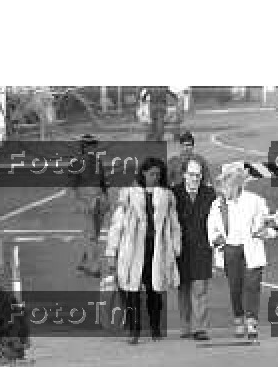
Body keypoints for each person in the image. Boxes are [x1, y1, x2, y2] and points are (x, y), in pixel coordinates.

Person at [105, 157, 180, 344]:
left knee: (155, 292)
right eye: (152, 173)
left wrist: (176, 248)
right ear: (144, 173)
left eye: (158, 174)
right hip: (132, 250)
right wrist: (111, 252)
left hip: (157, 249)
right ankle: (134, 330)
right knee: (132, 292)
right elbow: (117, 224)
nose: (155, 177)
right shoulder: (128, 194)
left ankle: (155, 328)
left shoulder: (167, 195)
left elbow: (174, 224)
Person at [207, 162, 278, 341]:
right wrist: (219, 243)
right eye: (223, 184)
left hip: (251, 249)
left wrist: (266, 233)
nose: (224, 188)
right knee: (235, 288)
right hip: (230, 250)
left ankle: (252, 322)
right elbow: (211, 228)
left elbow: (272, 222)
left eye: (227, 183)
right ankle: (238, 319)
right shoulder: (218, 205)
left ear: (237, 184)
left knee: (252, 286)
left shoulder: (255, 201)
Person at [173, 158, 217, 340]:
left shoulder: (209, 194)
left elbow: (216, 221)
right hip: (181, 249)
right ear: (184, 175)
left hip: (201, 248)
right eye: (191, 175)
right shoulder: (174, 193)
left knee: (200, 289)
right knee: (183, 290)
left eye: (198, 175)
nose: (195, 178)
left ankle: (200, 328)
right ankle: (185, 327)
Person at [72, 134, 108, 277]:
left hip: (99, 200)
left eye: (94, 145)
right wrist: (79, 201)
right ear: (84, 147)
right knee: (92, 234)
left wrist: (106, 198)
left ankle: (83, 261)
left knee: (95, 234)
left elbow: (103, 182)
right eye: (90, 145)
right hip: (86, 200)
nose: (93, 147)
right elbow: (73, 185)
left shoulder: (98, 161)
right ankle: (95, 267)